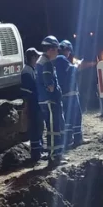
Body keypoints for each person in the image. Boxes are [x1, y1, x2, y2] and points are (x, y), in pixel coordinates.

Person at [36, 36, 66, 165]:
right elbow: (50, 84)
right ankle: (54, 157)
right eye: (56, 49)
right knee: (54, 129)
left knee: (51, 128)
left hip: (44, 100)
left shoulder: (40, 61)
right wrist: (54, 90)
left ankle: (56, 154)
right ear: (50, 49)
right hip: (50, 100)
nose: (57, 52)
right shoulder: (46, 63)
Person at [58, 40, 83, 148]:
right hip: (70, 93)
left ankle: (70, 139)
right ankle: (76, 139)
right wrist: (77, 64)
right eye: (68, 51)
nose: (69, 53)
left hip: (65, 93)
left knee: (70, 116)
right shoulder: (61, 59)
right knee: (77, 115)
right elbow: (72, 70)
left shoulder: (58, 60)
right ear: (66, 49)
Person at [21, 47, 44, 163]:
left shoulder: (31, 70)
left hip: (36, 105)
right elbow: (27, 93)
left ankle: (39, 151)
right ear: (33, 57)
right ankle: (36, 154)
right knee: (35, 128)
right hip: (33, 106)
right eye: (37, 57)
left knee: (39, 127)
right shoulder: (27, 72)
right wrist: (27, 107)